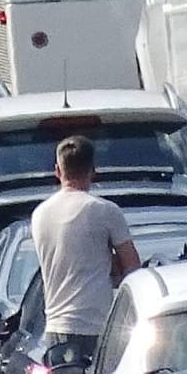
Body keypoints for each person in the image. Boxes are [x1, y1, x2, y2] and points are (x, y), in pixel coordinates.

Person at [31, 135, 141, 360]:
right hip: (98, 326)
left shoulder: (40, 214)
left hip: (56, 325)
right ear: (92, 170)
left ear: (58, 171)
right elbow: (133, 268)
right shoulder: (105, 211)